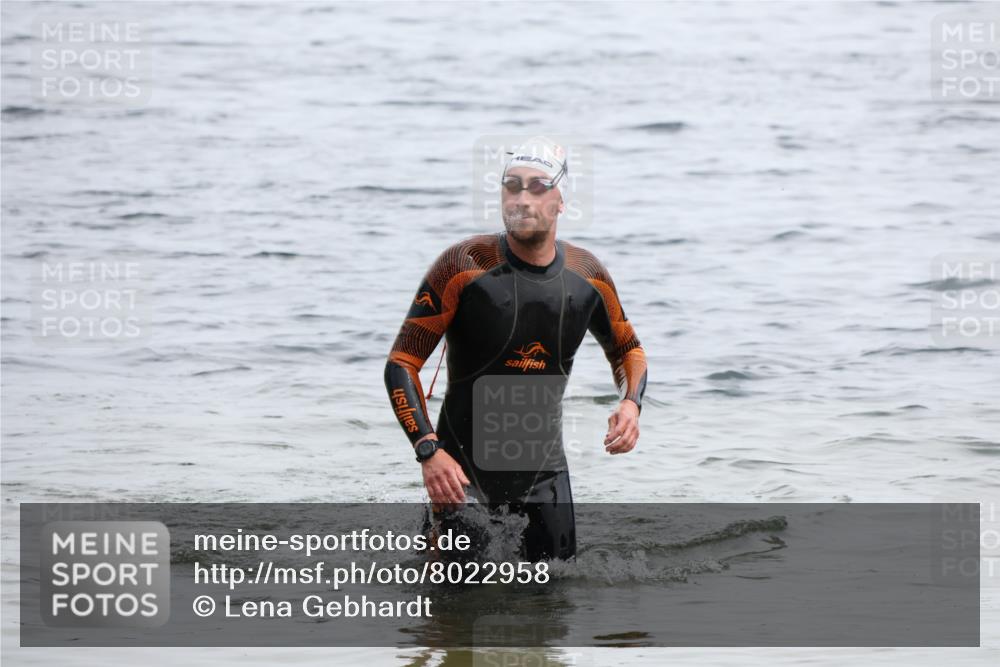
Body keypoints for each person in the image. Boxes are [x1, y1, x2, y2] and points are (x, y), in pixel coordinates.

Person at [384, 137, 647, 561]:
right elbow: (402, 363)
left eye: (538, 186)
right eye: (512, 185)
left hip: (545, 478)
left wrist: (631, 404)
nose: (521, 199)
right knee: (448, 611)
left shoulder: (588, 275)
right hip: (460, 476)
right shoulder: (464, 264)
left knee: (556, 606)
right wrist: (428, 450)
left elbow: (628, 349)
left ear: (562, 200)